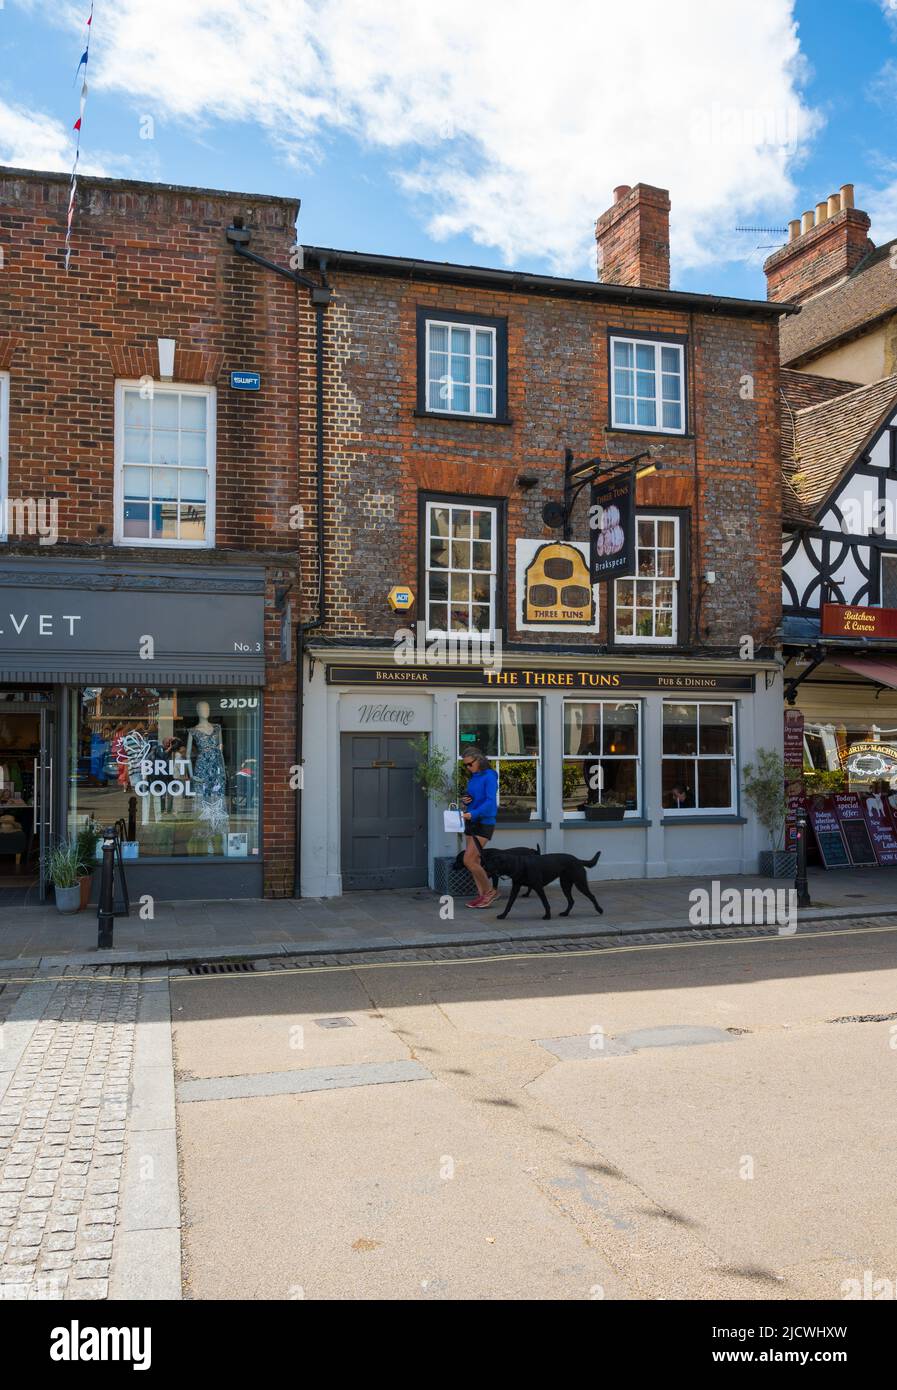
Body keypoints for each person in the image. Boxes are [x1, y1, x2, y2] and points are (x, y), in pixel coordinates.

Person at [460, 746, 499, 909]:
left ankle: (490, 892)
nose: (468, 768)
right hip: (471, 820)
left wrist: (473, 813)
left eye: (470, 764)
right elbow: (474, 797)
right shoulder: (474, 776)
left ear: (479, 760)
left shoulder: (489, 776)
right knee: (474, 860)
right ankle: (482, 895)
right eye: (465, 765)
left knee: (468, 859)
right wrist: (466, 800)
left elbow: (490, 801)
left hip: (484, 822)